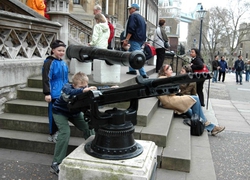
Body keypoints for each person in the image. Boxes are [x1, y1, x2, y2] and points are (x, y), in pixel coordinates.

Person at [157, 64, 225, 136]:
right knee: (195, 99)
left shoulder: (164, 78)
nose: (172, 71)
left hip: (171, 99)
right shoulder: (164, 79)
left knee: (191, 107)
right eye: (170, 70)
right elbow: (171, 93)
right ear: (165, 71)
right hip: (170, 100)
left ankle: (210, 126)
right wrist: (178, 90)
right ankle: (202, 124)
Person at [50, 72, 95, 175]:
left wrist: (110, 88)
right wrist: (83, 90)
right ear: (74, 85)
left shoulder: (85, 89)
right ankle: (56, 162)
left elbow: (96, 91)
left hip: (74, 113)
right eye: (81, 86)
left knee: (88, 126)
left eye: (85, 86)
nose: (85, 88)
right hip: (60, 112)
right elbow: (69, 92)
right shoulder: (67, 87)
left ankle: (93, 148)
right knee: (65, 132)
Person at [42, 40, 68, 143]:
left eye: (63, 50)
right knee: (53, 114)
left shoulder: (63, 62)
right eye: (59, 50)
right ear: (53, 50)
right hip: (54, 94)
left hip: (63, 93)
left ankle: (60, 132)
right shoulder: (49, 62)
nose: (61, 52)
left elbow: (65, 79)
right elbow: (46, 78)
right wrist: (47, 93)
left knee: (62, 114)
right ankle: (53, 134)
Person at [123, 3, 148, 78]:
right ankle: (132, 69)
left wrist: (126, 39)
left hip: (135, 39)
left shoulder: (133, 16)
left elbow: (131, 28)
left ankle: (143, 74)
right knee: (130, 54)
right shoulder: (141, 18)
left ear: (134, 9)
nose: (129, 10)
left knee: (137, 56)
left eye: (130, 9)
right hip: (141, 39)